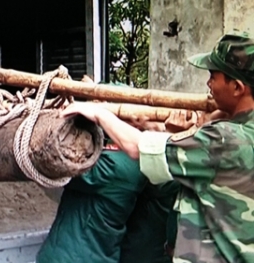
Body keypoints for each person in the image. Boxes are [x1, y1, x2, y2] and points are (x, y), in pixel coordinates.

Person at [60, 30, 254, 262]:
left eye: (214, 75)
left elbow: (137, 146)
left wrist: (100, 114)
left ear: (237, 88)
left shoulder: (221, 140)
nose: (208, 83)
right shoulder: (230, 133)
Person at [36, 110, 192, 263]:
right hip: (105, 253)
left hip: (74, 256)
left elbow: (53, 164)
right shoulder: (150, 163)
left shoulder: (121, 166)